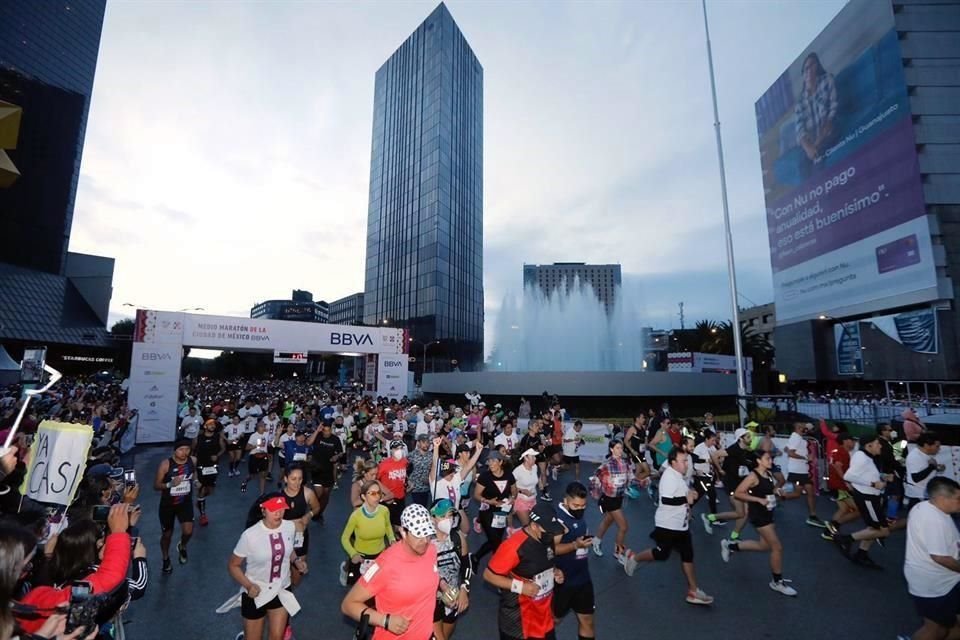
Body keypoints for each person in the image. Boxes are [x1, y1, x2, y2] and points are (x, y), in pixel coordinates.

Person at [18, 504, 132, 634]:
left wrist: (47, 557)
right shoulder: (37, 600)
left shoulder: (30, 599)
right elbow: (109, 577)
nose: (30, 567)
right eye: (26, 564)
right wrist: (118, 532)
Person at [622, 448, 714, 606]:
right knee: (662, 554)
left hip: (681, 525)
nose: (686, 463)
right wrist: (687, 498)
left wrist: (689, 499)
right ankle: (633, 558)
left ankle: (693, 591)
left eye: (686, 460)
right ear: (673, 463)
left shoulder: (679, 475)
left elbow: (681, 495)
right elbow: (667, 500)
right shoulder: (669, 477)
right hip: (667, 525)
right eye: (683, 461)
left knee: (687, 555)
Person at [341, 504, 439, 640]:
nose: (425, 541)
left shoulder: (432, 550)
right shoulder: (385, 564)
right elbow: (348, 605)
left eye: (427, 534)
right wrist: (384, 621)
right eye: (418, 535)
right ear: (403, 532)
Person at [483, 502, 567, 640]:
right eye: (548, 531)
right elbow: (489, 575)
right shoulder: (513, 546)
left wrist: (555, 572)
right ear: (534, 526)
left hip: (543, 615)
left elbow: (545, 561)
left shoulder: (547, 538)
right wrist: (521, 587)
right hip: (519, 620)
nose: (552, 535)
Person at [720, 450, 797, 596]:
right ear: (758, 461)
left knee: (764, 546)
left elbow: (769, 490)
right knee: (777, 547)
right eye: (767, 459)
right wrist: (758, 500)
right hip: (758, 515)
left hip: (768, 512)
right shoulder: (752, 476)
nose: (771, 461)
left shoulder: (767, 474)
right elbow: (738, 493)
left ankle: (730, 545)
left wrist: (778, 492)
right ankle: (777, 582)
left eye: (771, 458)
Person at [228, 495, 306, 640]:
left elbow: (288, 549)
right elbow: (233, 565)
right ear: (263, 510)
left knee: (277, 637)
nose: (279, 513)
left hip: (281, 589)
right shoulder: (249, 535)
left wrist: (296, 561)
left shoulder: (289, 527)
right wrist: (248, 585)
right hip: (256, 592)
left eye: (282, 509)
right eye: (273, 510)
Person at [897, 477, 960, 640]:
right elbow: (940, 557)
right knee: (936, 629)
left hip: (944, 581)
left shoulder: (923, 506)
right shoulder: (934, 520)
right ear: (940, 498)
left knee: (950, 626)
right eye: (958, 498)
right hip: (935, 586)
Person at [831, 435, 891, 569]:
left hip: (871, 497)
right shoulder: (861, 457)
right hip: (868, 497)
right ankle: (845, 539)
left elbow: (863, 473)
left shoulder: (867, 456)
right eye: (877, 443)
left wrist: (882, 477)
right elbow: (849, 476)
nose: (880, 446)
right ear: (869, 446)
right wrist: (873, 483)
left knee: (872, 528)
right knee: (883, 531)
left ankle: (861, 554)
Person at [553, 482, 596, 640]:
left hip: (583, 578)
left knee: (587, 621)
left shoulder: (579, 514)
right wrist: (575, 545)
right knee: (553, 620)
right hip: (562, 581)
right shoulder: (557, 519)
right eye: (576, 505)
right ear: (566, 501)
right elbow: (551, 548)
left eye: (583, 506)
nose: (580, 509)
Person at [340, 478, 395, 586]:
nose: (377, 496)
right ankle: (344, 569)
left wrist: (392, 539)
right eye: (373, 493)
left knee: (376, 588)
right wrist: (353, 554)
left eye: (379, 493)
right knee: (358, 591)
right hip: (360, 558)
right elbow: (344, 538)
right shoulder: (356, 516)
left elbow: (388, 527)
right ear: (364, 497)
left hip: (379, 556)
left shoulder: (384, 511)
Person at [430, 499, 472, 640]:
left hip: (453, 597)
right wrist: (441, 590)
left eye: (450, 516)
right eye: (442, 516)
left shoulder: (457, 537)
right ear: (432, 518)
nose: (447, 520)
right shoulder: (426, 541)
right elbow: (422, 573)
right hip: (432, 598)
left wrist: (464, 589)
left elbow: (467, 565)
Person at [154, 438, 197, 574]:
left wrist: (196, 481)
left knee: (188, 531)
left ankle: (182, 546)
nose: (184, 452)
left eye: (187, 449)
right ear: (175, 450)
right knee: (167, 535)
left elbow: (194, 474)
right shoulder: (166, 464)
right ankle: (166, 558)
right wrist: (169, 485)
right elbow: (156, 485)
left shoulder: (193, 460)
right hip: (168, 505)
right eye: (181, 449)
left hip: (185, 502)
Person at [471, 451, 517, 566]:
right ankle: (498, 566)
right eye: (489, 461)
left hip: (502, 512)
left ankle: (476, 557)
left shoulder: (508, 475)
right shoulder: (484, 477)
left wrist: (512, 498)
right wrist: (488, 501)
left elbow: (514, 491)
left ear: (501, 462)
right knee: (495, 540)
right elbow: (476, 494)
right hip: (487, 511)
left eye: (493, 461)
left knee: (495, 539)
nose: (490, 464)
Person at [591, 440, 633, 561]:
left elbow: (630, 478)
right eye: (618, 448)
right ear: (611, 449)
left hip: (619, 498)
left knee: (608, 520)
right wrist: (598, 495)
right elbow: (594, 480)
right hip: (609, 499)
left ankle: (596, 540)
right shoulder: (606, 465)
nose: (620, 450)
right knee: (624, 527)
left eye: (621, 448)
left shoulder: (625, 463)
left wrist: (641, 482)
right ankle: (618, 553)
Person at [280, 464, 320, 587]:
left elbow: (317, 507)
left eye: (300, 479)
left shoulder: (308, 493)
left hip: (300, 536)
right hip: (283, 537)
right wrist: (293, 523)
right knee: (281, 572)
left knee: (298, 574)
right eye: (293, 479)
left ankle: (290, 591)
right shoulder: (279, 497)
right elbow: (271, 521)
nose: (297, 482)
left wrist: (309, 515)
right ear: (285, 479)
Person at [794, 51, 837, 162]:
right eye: (805, 69)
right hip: (811, 143)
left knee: (819, 157)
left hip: (828, 132)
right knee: (803, 163)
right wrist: (808, 147)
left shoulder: (828, 80)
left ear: (817, 66)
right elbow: (800, 129)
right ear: (803, 75)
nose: (809, 71)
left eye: (812, 65)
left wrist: (817, 144)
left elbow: (833, 109)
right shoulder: (800, 102)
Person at [782, 422, 825, 527]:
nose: (805, 428)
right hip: (797, 471)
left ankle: (812, 516)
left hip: (802, 470)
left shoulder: (796, 437)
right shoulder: (796, 437)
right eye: (803, 427)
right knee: (797, 493)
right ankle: (773, 498)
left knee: (810, 492)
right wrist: (806, 458)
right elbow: (791, 453)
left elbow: (786, 449)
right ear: (798, 427)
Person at [822, 433, 859, 541]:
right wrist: (846, 481)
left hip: (836, 485)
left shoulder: (839, 451)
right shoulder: (842, 452)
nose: (854, 443)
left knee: (844, 509)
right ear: (846, 441)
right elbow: (838, 466)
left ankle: (828, 531)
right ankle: (833, 525)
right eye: (852, 440)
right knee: (858, 510)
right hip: (840, 485)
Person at [306, 422, 344, 525]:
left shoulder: (335, 439)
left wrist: (336, 457)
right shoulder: (318, 436)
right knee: (319, 493)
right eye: (325, 431)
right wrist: (317, 431)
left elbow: (341, 452)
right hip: (317, 469)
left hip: (328, 470)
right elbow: (308, 443)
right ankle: (313, 509)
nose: (327, 433)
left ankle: (319, 513)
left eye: (329, 430)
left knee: (326, 496)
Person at [194, 418, 226, 526]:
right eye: (210, 424)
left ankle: (199, 501)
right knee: (201, 489)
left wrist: (217, 455)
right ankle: (203, 515)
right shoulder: (198, 438)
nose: (212, 426)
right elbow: (192, 452)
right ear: (205, 426)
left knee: (210, 490)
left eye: (214, 425)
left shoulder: (218, 437)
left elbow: (223, 449)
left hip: (213, 467)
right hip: (201, 466)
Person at [905, 433, 944, 512]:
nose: (939, 449)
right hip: (918, 495)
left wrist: (936, 467)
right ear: (926, 445)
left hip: (925, 493)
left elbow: (924, 469)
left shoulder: (925, 454)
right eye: (937, 446)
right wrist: (932, 467)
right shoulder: (915, 456)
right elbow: (916, 478)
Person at [378, 441, 409, 533]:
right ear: (391, 450)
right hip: (389, 498)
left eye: (400, 448)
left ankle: (396, 539)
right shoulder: (384, 464)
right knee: (387, 521)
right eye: (396, 448)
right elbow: (376, 479)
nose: (399, 451)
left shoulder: (405, 462)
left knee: (399, 520)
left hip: (401, 496)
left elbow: (404, 474)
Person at [512, 449, 540, 528]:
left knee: (534, 523)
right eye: (533, 456)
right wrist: (522, 491)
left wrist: (540, 482)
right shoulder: (517, 471)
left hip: (533, 500)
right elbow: (510, 487)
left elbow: (534, 479)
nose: (535, 458)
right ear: (526, 458)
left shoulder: (535, 467)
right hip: (521, 501)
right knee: (527, 526)